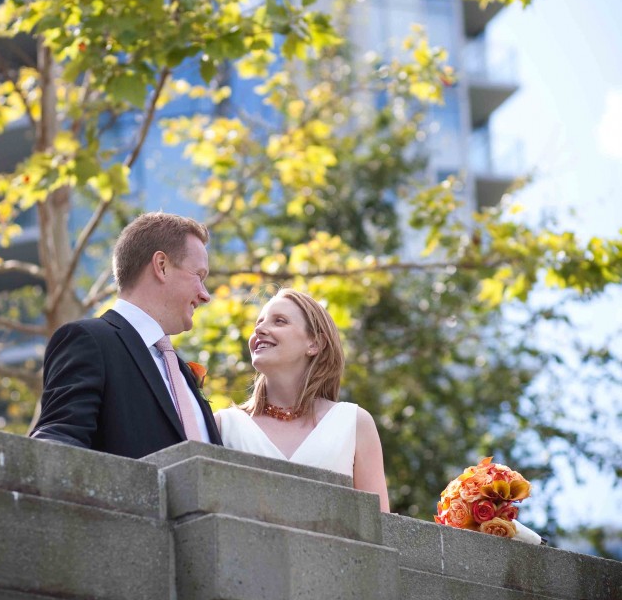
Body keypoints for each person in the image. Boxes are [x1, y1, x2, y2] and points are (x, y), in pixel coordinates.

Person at [29, 211, 222, 457]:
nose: (206, 295)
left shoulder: (181, 372)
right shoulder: (89, 341)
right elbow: (57, 441)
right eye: (200, 276)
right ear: (161, 266)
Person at [216, 288, 389, 512]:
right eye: (258, 323)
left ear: (314, 344)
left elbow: (380, 526)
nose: (259, 329)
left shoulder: (354, 423)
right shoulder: (224, 425)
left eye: (279, 321)